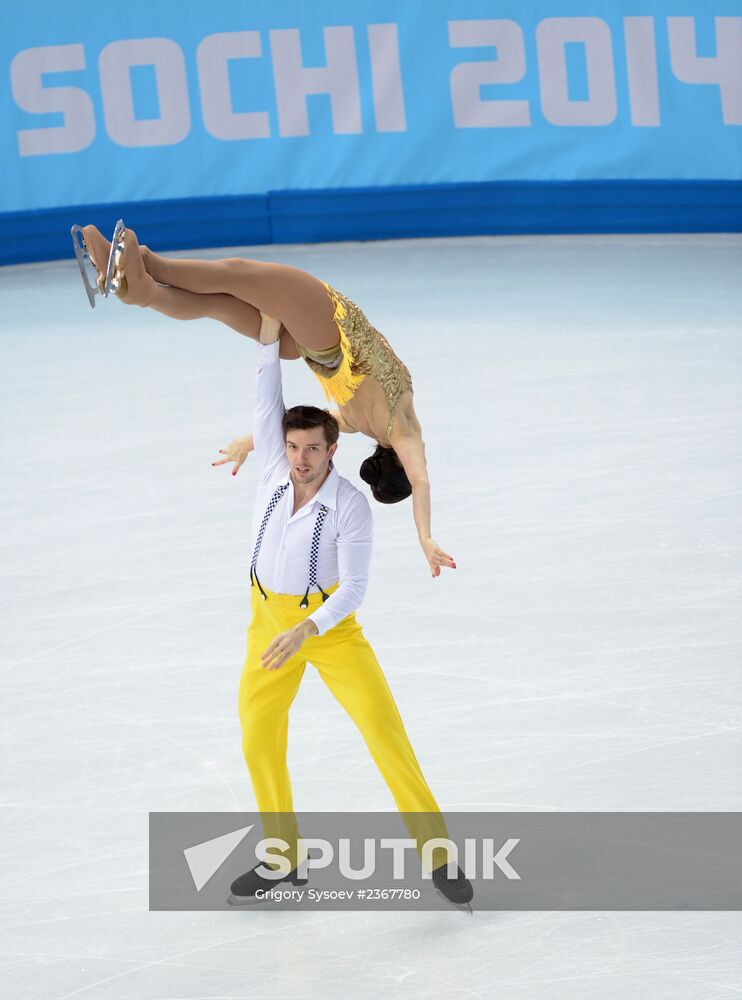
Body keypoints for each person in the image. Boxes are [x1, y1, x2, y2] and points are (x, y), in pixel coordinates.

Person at [211, 309, 472, 907]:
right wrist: (269, 334)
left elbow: (354, 588)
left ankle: (438, 854)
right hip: (266, 622)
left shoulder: (349, 506)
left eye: (312, 449)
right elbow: (264, 396)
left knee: (384, 732)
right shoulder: (275, 469)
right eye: (292, 446)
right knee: (258, 734)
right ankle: (283, 858)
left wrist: (309, 627)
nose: (299, 458)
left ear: (333, 449)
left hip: (327, 627)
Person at [77, 224, 456, 579]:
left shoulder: (403, 429)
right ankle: (142, 292)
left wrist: (425, 537)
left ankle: (145, 264)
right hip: (307, 346)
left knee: (235, 274)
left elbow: (421, 482)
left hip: (328, 326)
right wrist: (251, 440)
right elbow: (306, 426)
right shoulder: (356, 423)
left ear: (402, 465)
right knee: (220, 305)